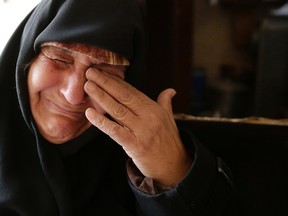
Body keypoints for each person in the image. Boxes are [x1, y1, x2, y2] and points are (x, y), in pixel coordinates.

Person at [0, 0, 236, 215]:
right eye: (59, 60)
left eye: (105, 72)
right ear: (25, 60)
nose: (73, 95)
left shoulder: (132, 165)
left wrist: (173, 176)